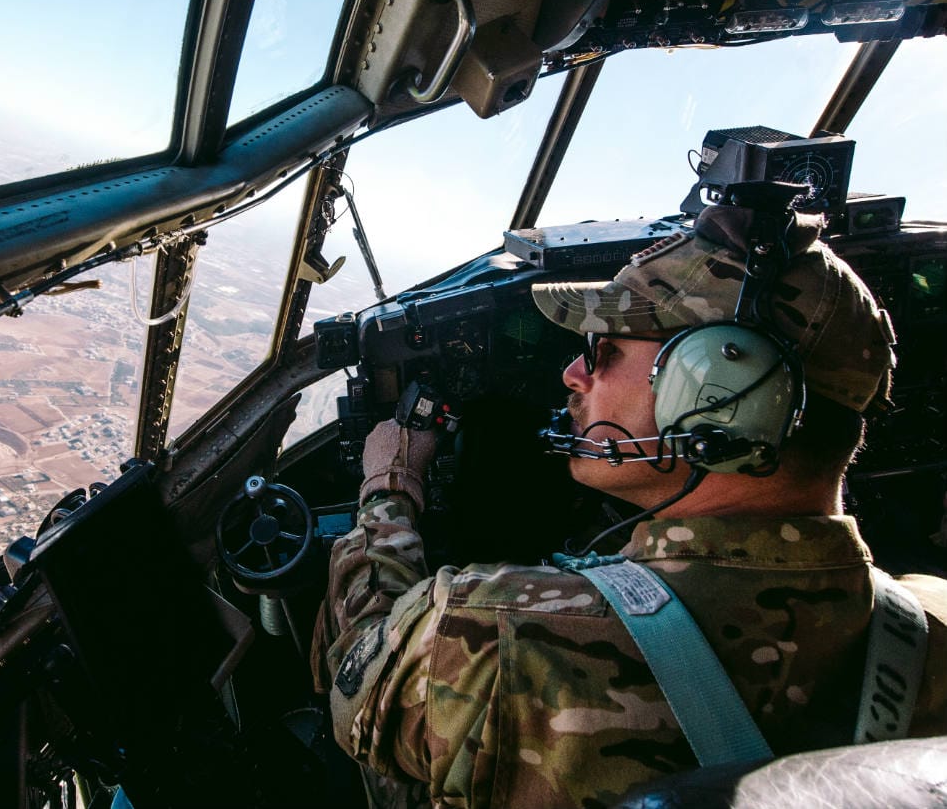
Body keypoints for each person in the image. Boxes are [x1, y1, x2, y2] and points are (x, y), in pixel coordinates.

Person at [310, 201, 947, 808]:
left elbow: (354, 677)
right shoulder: (932, 622)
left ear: (718, 397)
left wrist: (390, 488)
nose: (573, 375)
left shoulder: (494, 638)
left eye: (605, 351)